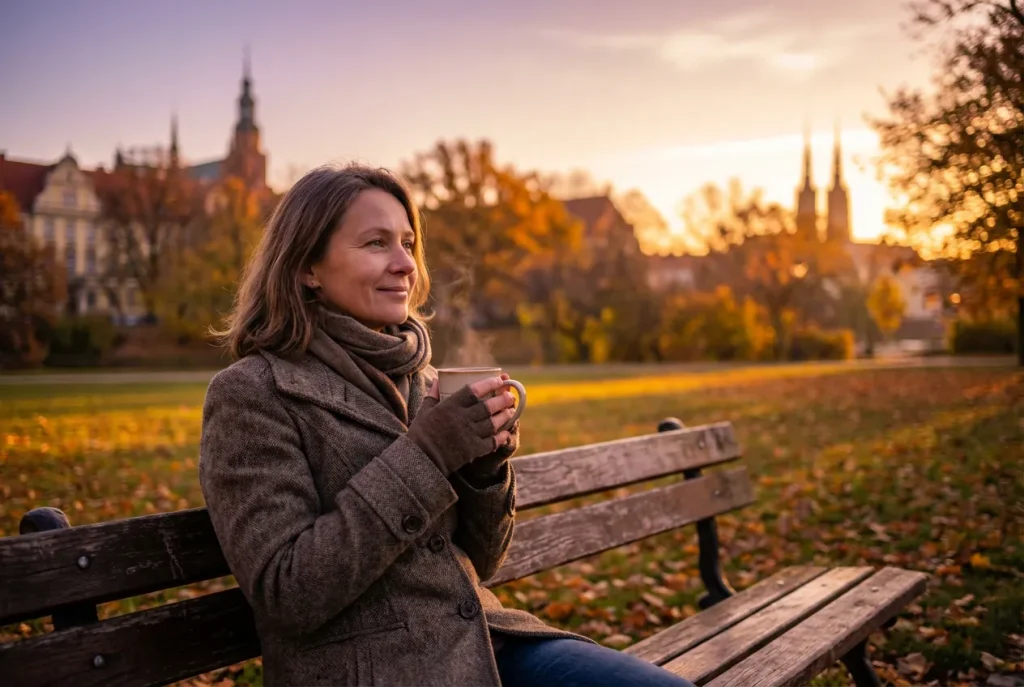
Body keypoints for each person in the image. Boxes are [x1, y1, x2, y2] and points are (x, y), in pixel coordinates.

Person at [199, 164, 696, 687]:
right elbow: (287, 593)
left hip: (486, 644)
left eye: (408, 244)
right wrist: (429, 455)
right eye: (375, 244)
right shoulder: (253, 394)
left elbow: (482, 563)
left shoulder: (423, 380)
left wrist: (482, 470)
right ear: (307, 267)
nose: (404, 265)